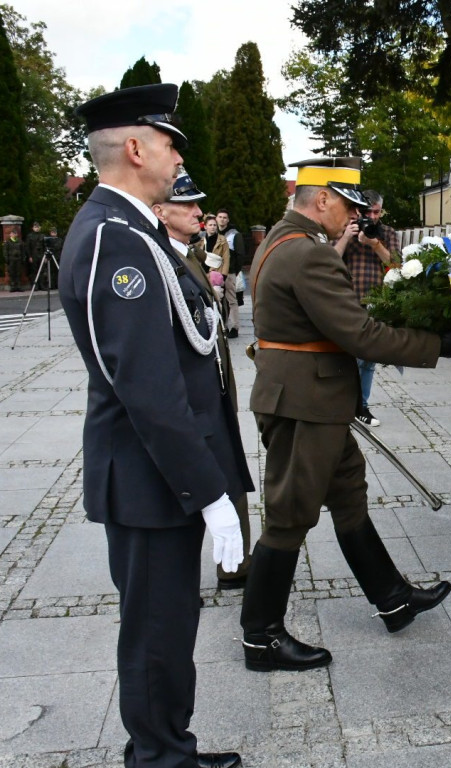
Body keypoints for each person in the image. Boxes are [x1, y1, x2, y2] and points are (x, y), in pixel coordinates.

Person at [57, 83, 251, 768]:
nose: (177, 160)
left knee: (168, 627)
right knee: (157, 633)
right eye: (171, 144)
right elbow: (148, 390)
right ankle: (160, 758)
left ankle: (167, 746)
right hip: (151, 478)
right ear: (136, 146)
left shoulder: (130, 228)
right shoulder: (117, 238)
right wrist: (210, 492)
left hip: (156, 475)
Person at [240, 157, 451, 672]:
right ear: (322, 199)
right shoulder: (308, 255)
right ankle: (261, 637)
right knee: (289, 515)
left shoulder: (280, 240)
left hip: (307, 398)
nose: (354, 216)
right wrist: (435, 343)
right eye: (349, 205)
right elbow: (358, 334)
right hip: (305, 404)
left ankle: (393, 598)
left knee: (347, 492)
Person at [153, 170, 254, 592]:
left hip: (215, 391)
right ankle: (184, 582)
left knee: (229, 478)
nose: (199, 211)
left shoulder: (188, 253)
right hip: (191, 400)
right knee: (194, 486)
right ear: (160, 211)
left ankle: (236, 568)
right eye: (186, 205)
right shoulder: (158, 257)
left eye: (198, 204)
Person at [336, 189, 399, 427]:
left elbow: (396, 263)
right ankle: (342, 403)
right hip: (345, 300)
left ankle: (361, 405)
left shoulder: (387, 233)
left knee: (367, 359)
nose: (371, 218)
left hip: (376, 302)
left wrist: (374, 243)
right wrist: (346, 237)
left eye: (376, 212)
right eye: (367, 212)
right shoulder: (344, 228)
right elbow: (328, 260)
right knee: (344, 355)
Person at [215, 209, 244, 337]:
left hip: (230, 272)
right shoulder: (211, 233)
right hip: (215, 273)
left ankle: (234, 327)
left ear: (228, 220)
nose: (222, 219)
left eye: (224, 217)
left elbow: (240, 255)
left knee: (231, 300)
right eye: (220, 217)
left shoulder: (234, 235)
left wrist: (235, 270)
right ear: (216, 218)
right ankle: (223, 326)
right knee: (219, 300)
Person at [25, 221, 45, 287]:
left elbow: (45, 246)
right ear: (33, 228)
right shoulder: (30, 236)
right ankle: (34, 286)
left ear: (40, 228)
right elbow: (28, 247)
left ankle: (42, 285)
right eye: (35, 227)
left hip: (41, 254)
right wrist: (29, 256)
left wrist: (45, 257)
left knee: (41, 270)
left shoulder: (42, 236)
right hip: (34, 255)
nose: (37, 228)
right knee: (34, 271)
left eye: (38, 227)